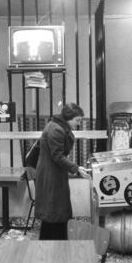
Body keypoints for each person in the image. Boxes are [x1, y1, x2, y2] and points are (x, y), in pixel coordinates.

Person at [34, 103, 90, 240]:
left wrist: (75, 168)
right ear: (68, 118)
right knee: (53, 210)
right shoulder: (56, 129)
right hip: (50, 174)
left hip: (53, 172)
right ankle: (54, 244)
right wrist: (76, 168)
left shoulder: (58, 126)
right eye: (77, 120)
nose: (78, 124)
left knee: (54, 210)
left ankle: (54, 242)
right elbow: (57, 156)